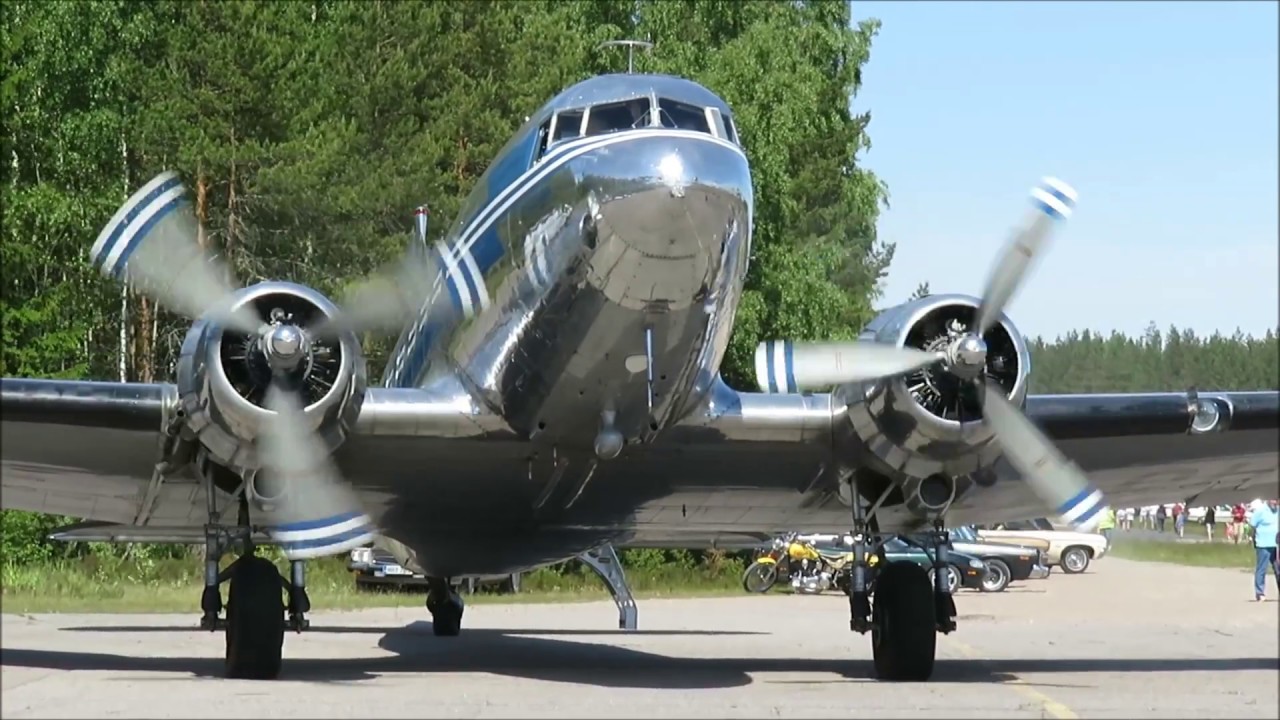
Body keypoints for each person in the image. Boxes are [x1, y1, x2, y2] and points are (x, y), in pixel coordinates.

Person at [1247, 499, 1279, 601]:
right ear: (1268, 500)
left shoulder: (1278, 510)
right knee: (1262, 569)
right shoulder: (1260, 511)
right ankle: (1260, 592)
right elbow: (1252, 526)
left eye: (1277, 500)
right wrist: (1251, 538)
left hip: (1276, 545)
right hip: (1263, 544)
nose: (1275, 502)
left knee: (1278, 570)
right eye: (1273, 500)